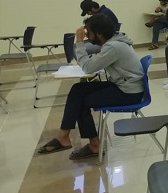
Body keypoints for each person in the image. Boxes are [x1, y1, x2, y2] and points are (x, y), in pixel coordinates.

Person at [37, 14, 144, 159]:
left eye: (89, 32)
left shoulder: (114, 46)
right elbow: (93, 53)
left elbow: (88, 68)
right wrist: (84, 46)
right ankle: (64, 136)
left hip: (129, 92)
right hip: (123, 85)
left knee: (82, 102)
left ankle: (91, 144)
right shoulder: (113, 40)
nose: (87, 34)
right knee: (78, 89)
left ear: (99, 34)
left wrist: (79, 42)